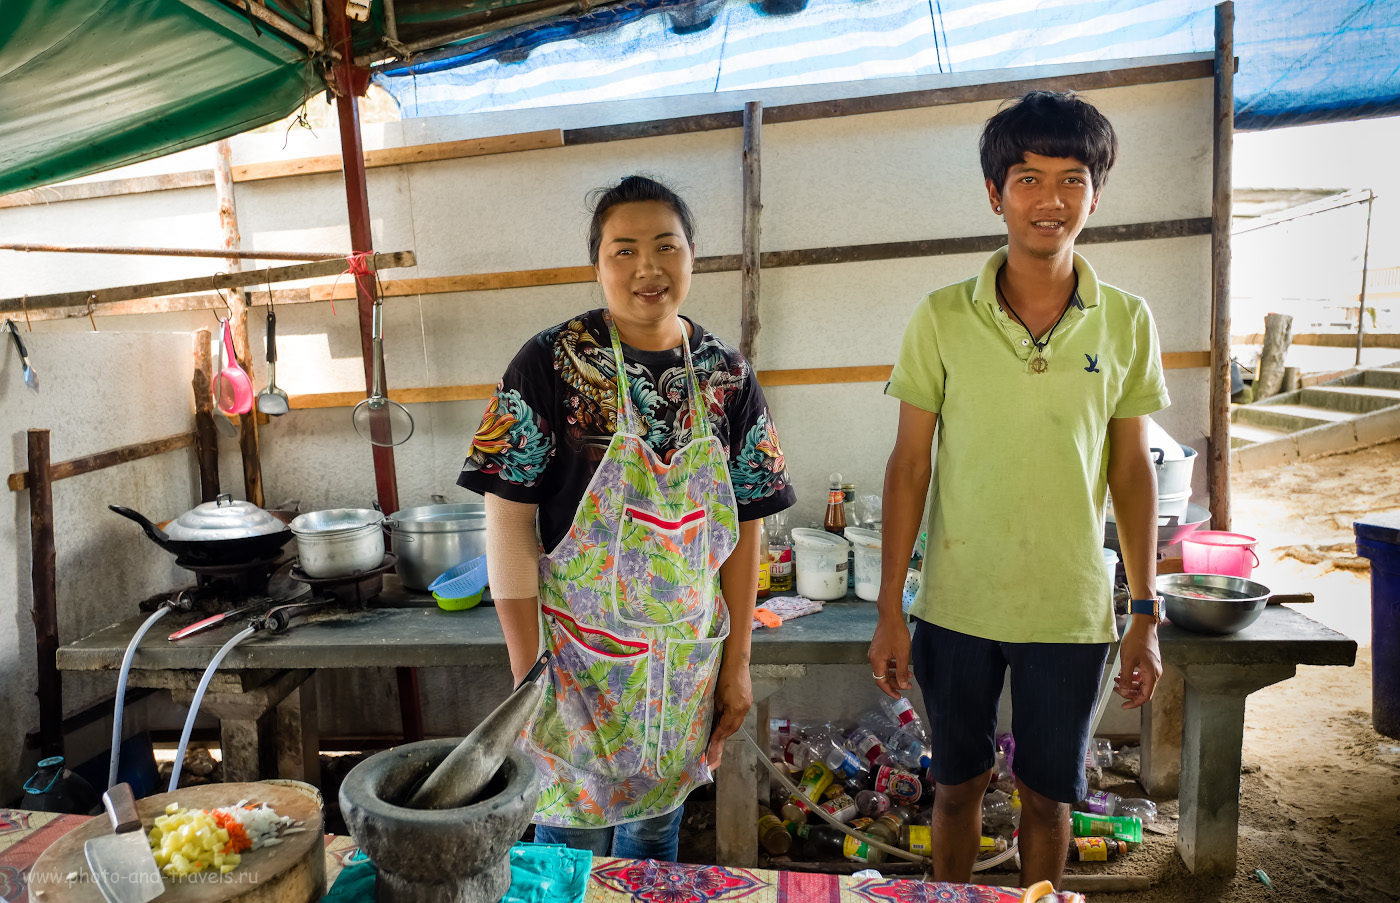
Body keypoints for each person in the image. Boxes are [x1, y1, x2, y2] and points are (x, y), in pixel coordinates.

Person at [867, 91, 1168, 886]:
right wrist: (891, 607)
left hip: (1069, 611)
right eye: (1028, 179)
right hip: (957, 604)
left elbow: (1131, 474)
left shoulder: (1128, 322)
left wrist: (1144, 612)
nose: (1051, 201)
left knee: (1047, 797)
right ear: (995, 193)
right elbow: (908, 466)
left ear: (1095, 195)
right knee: (956, 786)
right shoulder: (941, 316)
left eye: (1072, 179)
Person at [458, 175, 796, 861]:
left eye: (666, 246)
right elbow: (508, 525)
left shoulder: (726, 375)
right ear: (598, 264)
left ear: (693, 255)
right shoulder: (550, 364)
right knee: (566, 857)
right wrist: (530, 677)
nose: (648, 267)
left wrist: (738, 664)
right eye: (625, 250)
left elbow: (745, 526)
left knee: (651, 845)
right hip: (571, 675)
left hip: (680, 676)